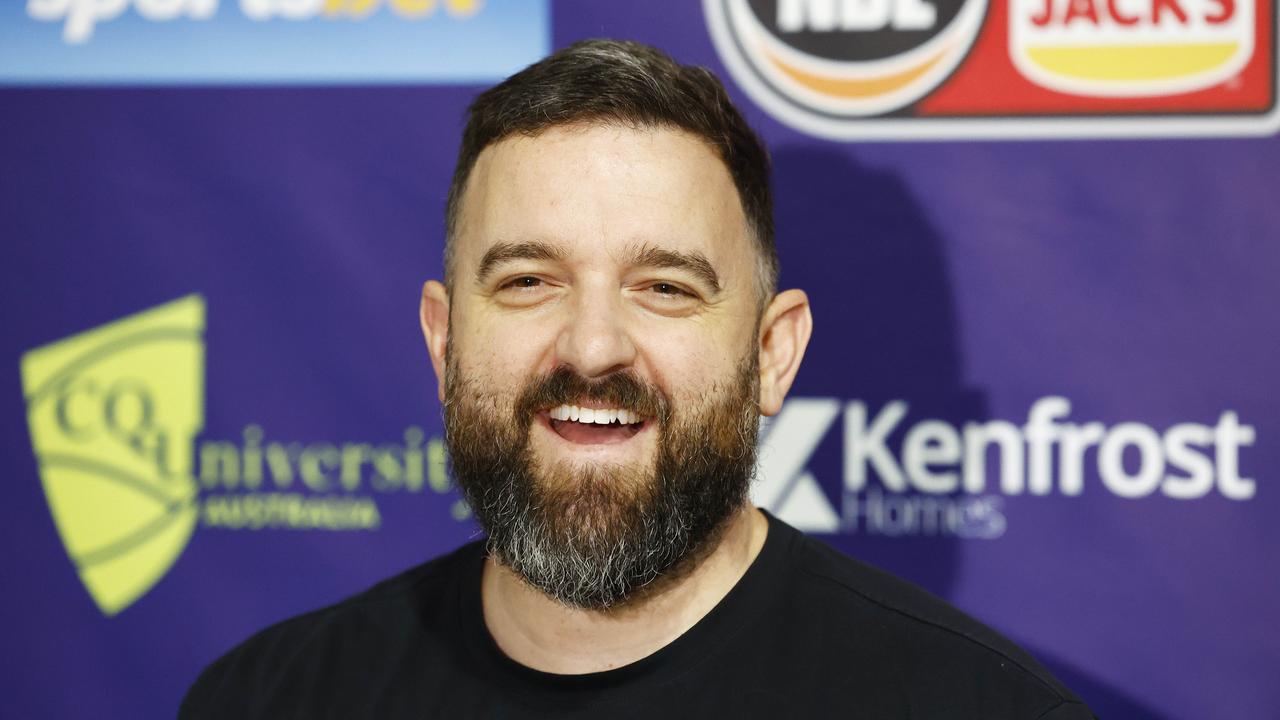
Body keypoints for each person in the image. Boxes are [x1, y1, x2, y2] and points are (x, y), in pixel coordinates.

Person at [180, 39, 1095, 719]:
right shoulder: (269, 701)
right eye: (529, 281)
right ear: (444, 339)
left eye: (664, 288)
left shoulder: (978, 708)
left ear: (772, 354)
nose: (592, 347)